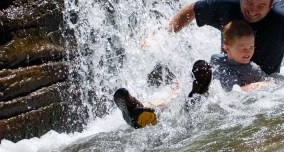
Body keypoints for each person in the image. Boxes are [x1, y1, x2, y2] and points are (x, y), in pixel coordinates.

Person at [113, 20, 267, 129]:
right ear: (226, 48)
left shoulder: (253, 69)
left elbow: (267, 86)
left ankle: (193, 94)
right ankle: (140, 110)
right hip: (206, 95)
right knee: (174, 97)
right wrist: (184, 81)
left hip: (220, 102)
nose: (248, 52)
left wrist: (253, 87)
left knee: (204, 96)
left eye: (251, 47)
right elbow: (206, 75)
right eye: (243, 48)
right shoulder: (216, 59)